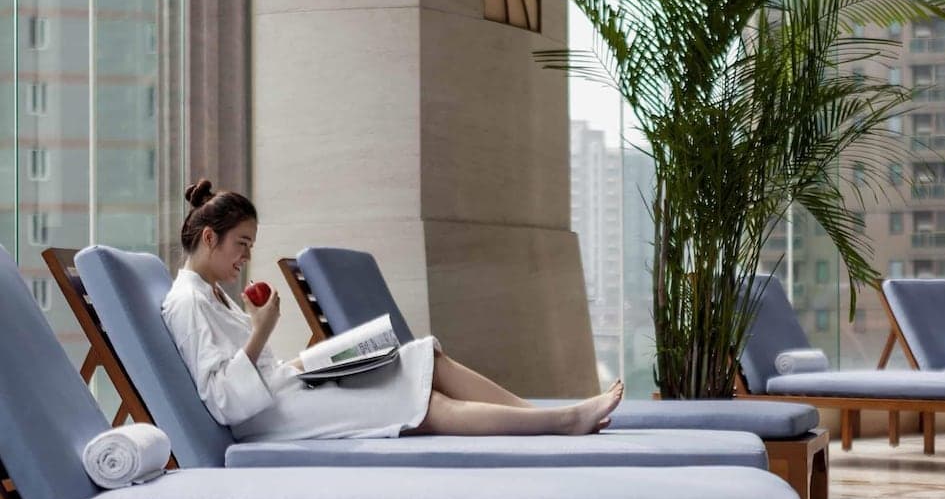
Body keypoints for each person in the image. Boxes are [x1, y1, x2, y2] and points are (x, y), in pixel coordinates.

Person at [162, 179, 624, 442]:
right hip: (273, 417)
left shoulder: (212, 294)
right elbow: (224, 402)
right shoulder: (187, 302)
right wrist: (262, 330)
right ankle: (561, 424)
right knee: (425, 406)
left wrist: (310, 361)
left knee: (425, 356)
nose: (246, 256)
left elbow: (253, 369)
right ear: (210, 238)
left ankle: (536, 415)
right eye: (242, 244)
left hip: (286, 387)